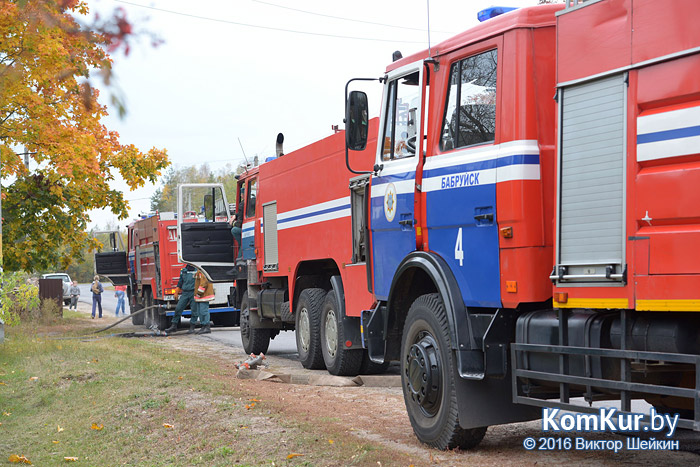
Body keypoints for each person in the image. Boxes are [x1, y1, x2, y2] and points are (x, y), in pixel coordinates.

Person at [165, 264, 197, 334]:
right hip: (185, 293)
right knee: (178, 308)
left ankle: (192, 327)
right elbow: (180, 282)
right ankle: (174, 326)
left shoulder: (197, 270)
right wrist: (177, 290)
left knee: (194, 310)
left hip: (193, 292)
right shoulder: (183, 270)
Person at [193, 268, 215, 334]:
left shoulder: (202, 272)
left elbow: (204, 283)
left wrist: (199, 293)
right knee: (200, 312)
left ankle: (206, 326)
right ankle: (203, 326)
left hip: (204, 295)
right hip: (201, 296)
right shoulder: (199, 271)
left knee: (203, 311)